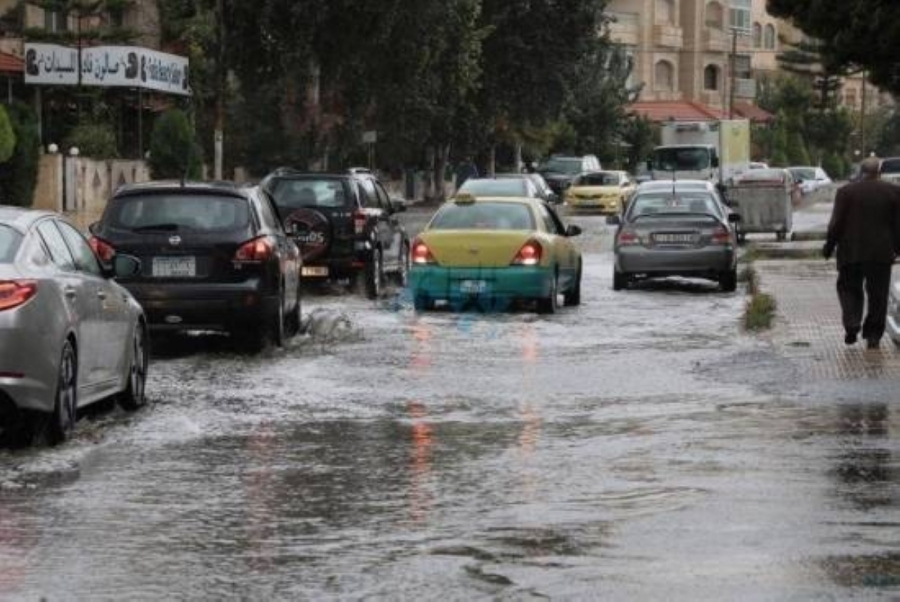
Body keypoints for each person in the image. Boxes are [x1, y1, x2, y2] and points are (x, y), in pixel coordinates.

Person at [823, 156, 900, 348]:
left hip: (851, 251)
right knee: (878, 295)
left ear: (861, 172)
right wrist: (897, 249)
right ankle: (873, 335)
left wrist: (829, 246)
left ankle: (852, 324)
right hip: (881, 253)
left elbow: (836, 223)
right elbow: (898, 225)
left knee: (848, 288)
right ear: (879, 171)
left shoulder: (845, 192)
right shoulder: (893, 192)